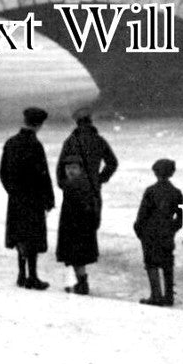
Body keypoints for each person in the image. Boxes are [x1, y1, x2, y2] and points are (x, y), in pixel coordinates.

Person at [55, 107, 118, 295]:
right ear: (90, 121)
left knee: (71, 234)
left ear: (77, 123)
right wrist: (100, 179)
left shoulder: (70, 141)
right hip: (93, 190)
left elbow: (59, 169)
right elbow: (112, 162)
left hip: (73, 193)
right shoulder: (99, 141)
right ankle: (84, 266)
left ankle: (79, 277)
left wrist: (65, 184)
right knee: (90, 226)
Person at [0, 107, 54, 290]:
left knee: (20, 237)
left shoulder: (10, 143)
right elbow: (43, 175)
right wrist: (48, 199)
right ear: (39, 125)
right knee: (33, 238)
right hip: (34, 199)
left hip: (16, 199)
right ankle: (33, 276)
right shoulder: (35, 145)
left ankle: (22, 275)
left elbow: (3, 173)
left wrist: (12, 191)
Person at [134, 158, 183, 306]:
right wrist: (172, 228)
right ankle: (169, 296)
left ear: (155, 173)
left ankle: (156, 295)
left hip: (150, 232)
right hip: (166, 233)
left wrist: (139, 230)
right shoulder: (176, 193)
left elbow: (142, 214)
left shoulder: (150, 191)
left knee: (151, 263)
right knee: (167, 263)